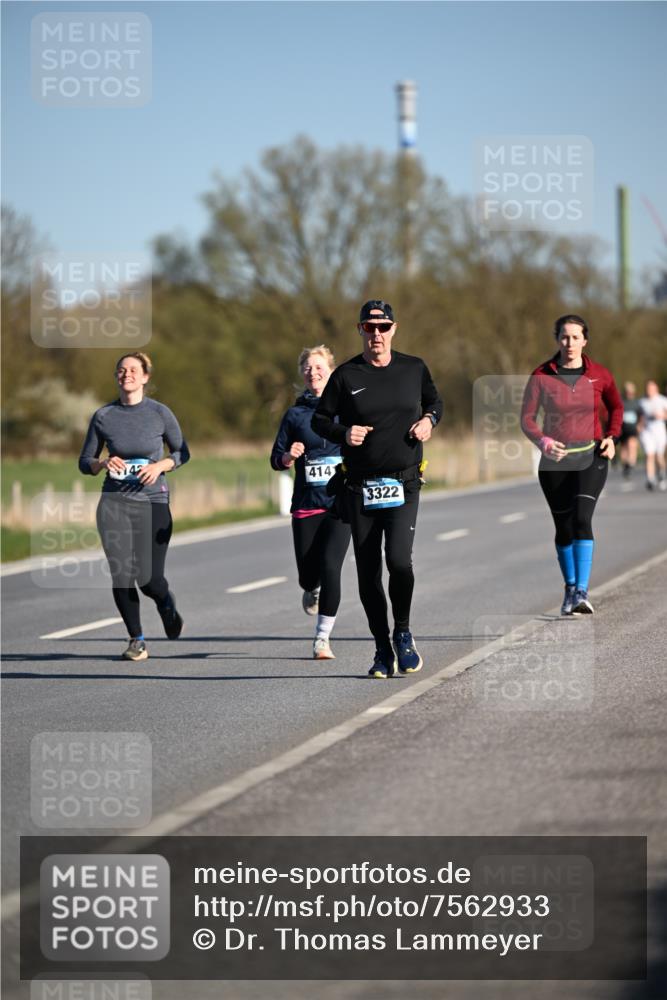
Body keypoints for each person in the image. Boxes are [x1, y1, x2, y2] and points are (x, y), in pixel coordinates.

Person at [312, 300, 443, 678]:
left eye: (383, 327)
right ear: (360, 330)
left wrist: (429, 420)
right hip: (360, 487)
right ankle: (382, 649)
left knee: (399, 561)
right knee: (368, 574)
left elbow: (435, 400)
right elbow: (320, 419)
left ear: (394, 329)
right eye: (369, 328)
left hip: (404, 482)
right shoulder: (346, 376)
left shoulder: (413, 368)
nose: (377, 335)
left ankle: (403, 632)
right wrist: (342, 432)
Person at [79, 352, 190, 660]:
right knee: (122, 574)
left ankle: (165, 601)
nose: (125, 374)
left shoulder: (159, 413)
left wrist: (161, 466)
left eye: (132, 370)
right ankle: (136, 639)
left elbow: (183, 452)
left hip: (153, 502)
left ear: (145, 377)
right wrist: (102, 463)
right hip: (114, 503)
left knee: (149, 578)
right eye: (121, 370)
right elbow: (83, 462)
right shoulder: (103, 416)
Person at [521, 314, 623, 615]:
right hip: (555, 461)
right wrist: (544, 441)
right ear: (557, 339)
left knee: (582, 518)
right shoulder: (542, 375)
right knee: (564, 528)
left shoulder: (599, 375)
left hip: (591, 456)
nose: (569, 343)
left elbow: (616, 406)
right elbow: (527, 418)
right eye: (564, 337)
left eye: (575, 337)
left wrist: (613, 437)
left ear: (584, 340)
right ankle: (569, 588)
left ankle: (581, 591)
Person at [270, 346, 352, 660]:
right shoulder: (294, 415)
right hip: (306, 503)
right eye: (307, 368)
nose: (313, 373)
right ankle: (311, 587)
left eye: (319, 367)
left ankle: (322, 638)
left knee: (331, 568)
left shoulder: (347, 409)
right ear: (302, 374)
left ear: (330, 371)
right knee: (308, 573)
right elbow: (275, 460)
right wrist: (289, 456)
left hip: (340, 504)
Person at [638, 379, 667, 491]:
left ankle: (661, 473)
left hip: (659, 431)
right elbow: (641, 417)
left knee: (659, 456)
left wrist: (661, 415)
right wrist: (639, 425)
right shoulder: (642, 402)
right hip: (647, 432)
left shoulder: (662, 400)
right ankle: (650, 479)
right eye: (647, 388)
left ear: (656, 389)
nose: (649, 390)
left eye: (651, 388)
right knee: (649, 454)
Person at [618, 381, 641, 478]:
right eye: (627, 391)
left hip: (633, 428)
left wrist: (640, 425)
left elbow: (641, 415)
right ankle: (625, 465)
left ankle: (631, 464)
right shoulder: (621, 402)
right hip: (623, 429)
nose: (629, 393)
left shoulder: (637, 403)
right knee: (624, 448)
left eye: (631, 392)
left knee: (632, 444)